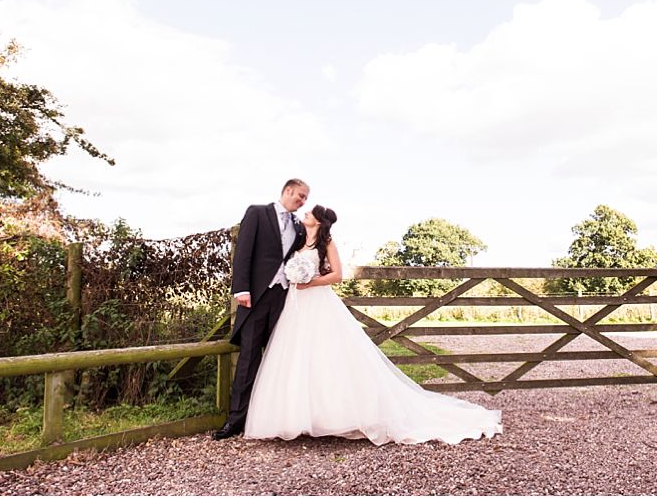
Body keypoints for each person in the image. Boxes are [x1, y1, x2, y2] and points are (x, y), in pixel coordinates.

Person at [242, 204, 502, 445]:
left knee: (325, 355)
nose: (305, 214)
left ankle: (334, 416)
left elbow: (338, 275)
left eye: (311, 213)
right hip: (296, 305)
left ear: (320, 222)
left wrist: (311, 282)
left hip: (317, 301)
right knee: (296, 357)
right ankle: (298, 417)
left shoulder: (327, 243)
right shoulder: (298, 241)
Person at [212, 179, 309, 440]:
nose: (303, 202)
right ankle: (235, 420)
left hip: (283, 297)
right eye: (300, 196)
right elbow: (243, 252)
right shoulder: (257, 212)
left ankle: (272, 419)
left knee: (279, 356)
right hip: (255, 297)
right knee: (249, 358)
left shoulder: (299, 227)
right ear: (288, 191)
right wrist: (241, 289)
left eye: (305, 199)